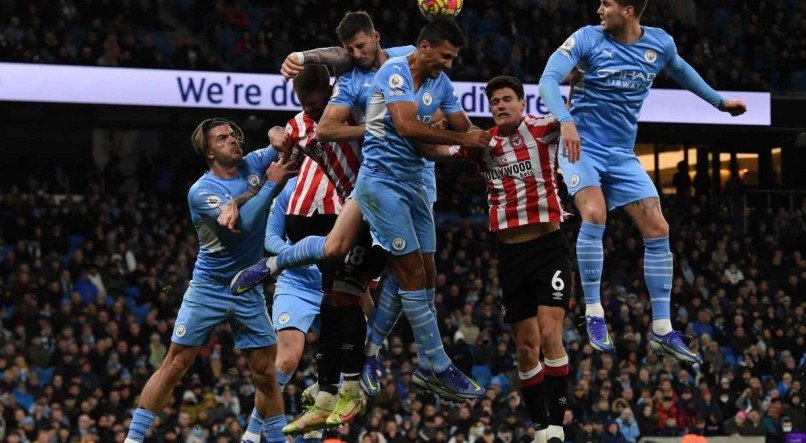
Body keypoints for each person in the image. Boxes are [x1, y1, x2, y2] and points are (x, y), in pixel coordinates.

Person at [538, 0, 746, 362]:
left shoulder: (659, 44)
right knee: (595, 215)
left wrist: (718, 102)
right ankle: (593, 313)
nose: (599, 8)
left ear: (629, 10)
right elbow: (548, 79)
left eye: (607, 3)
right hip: (582, 147)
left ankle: (663, 329)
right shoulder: (587, 38)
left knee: (658, 227)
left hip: (622, 153)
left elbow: (680, 70)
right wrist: (566, 120)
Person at [124, 118, 297, 443]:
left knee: (265, 374)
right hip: (210, 288)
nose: (232, 140)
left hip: (248, 288)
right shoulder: (202, 191)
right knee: (175, 364)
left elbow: (279, 141)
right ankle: (133, 439)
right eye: (222, 138)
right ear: (209, 152)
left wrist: (276, 134)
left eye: (233, 135)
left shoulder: (252, 162)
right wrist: (270, 184)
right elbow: (243, 225)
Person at [423, 76, 572, 442]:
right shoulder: (483, 143)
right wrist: (433, 128)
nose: (501, 106)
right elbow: (435, 153)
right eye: (495, 102)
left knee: (551, 335)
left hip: (549, 247)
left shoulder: (543, 129)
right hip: (510, 255)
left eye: (507, 99)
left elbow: (576, 115)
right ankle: (540, 427)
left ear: (523, 103)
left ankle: (556, 425)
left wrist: (573, 97)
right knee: (525, 347)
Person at [351, 17, 490, 401]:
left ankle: (376, 355)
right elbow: (408, 127)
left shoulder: (441, 83)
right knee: (411, 274)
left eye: (453, 58)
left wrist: (487, 147)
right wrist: (463, 137)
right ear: (424, 46)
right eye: (444, 56)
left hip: (414, 184)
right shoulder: (394, 71)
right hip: (381, 183)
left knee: (427, 276)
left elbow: (466, 128)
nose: (448, 64)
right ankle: (439, 365)